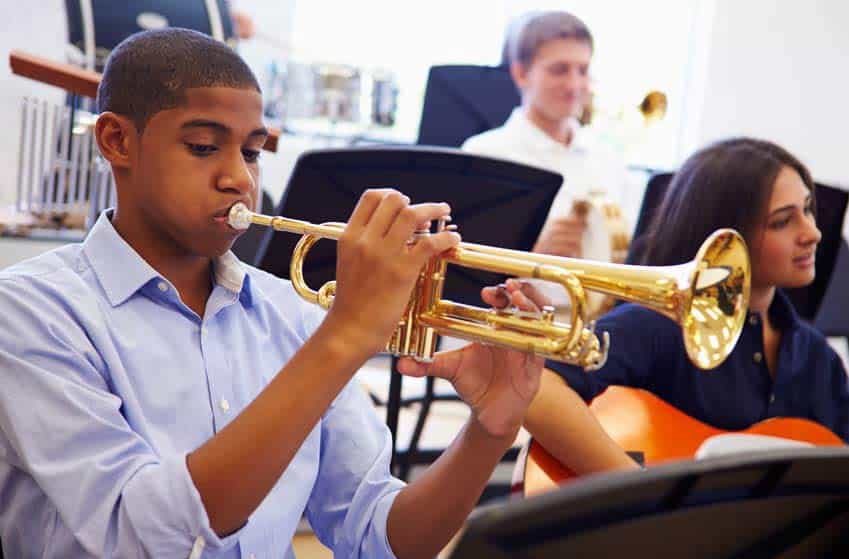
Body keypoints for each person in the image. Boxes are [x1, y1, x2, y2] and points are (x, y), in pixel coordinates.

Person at [0, 29, 545, 558]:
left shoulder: (290, 312)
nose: (239, 177)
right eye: (203, 146)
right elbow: (142, 538)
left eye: (254, 152)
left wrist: (488, 432)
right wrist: (345, 336)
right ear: (117, 141)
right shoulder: (32, 311)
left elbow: (381, 537)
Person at [506, 137, 849, 476]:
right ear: (727, 235)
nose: (813, 233)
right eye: (782, 221)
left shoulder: (820, 359)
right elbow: (539, 391)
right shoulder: (655, 326)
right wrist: (634, 486)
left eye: (807, 209)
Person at [462, 10, 635, 263]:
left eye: (583, 70)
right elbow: (466, 271)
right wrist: (536, 251)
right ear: (521, 74)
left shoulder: (610, 157)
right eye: (559, 70)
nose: (575, 85)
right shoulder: (483, 154)